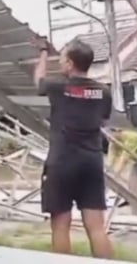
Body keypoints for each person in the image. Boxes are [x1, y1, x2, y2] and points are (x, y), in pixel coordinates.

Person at [32, 37, 113, 259]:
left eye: (62, 59)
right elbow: (103, 120)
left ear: (69, 64)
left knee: (60, 225)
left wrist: (43, 53)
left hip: (62, 162)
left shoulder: (59, 86)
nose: (60, 63)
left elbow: (39, 81)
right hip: (92, 163)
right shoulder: (104, 91)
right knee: (96, 227)